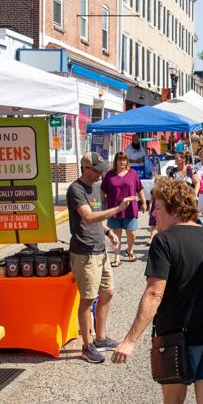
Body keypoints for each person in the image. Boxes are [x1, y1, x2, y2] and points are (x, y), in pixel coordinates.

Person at [112, 180, 203, 404]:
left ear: (175, 210)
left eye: (158, 208)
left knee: (173, 403)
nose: (153, 213)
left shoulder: (164, 241)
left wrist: (130, 340)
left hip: (177, 336)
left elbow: (154, 294)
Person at [68, 152, 137, 363]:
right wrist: (117, 209)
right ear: (85, 168)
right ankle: (86, 346)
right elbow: (88, 216)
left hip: (100, 249)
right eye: (97, 170)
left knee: (108, 292)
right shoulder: (76, 189)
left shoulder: (96, 187)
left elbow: (98, 218)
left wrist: (108, 233)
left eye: (101, 169)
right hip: (85, 252)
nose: (100, 173)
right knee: (87, 299)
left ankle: (99, 338)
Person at [101, 152, 147, 266]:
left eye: (124, 160)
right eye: (120, 160)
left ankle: (129, 249)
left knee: (131, 234)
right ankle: (117, 257)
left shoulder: (132, 173)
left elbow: (139, 189)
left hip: (130, 209)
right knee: (116, 234)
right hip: (114, 209)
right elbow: (102, 191)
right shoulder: (109, 175)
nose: (122, 162)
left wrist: (144, 202)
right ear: (115, 161)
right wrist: (100, 205)